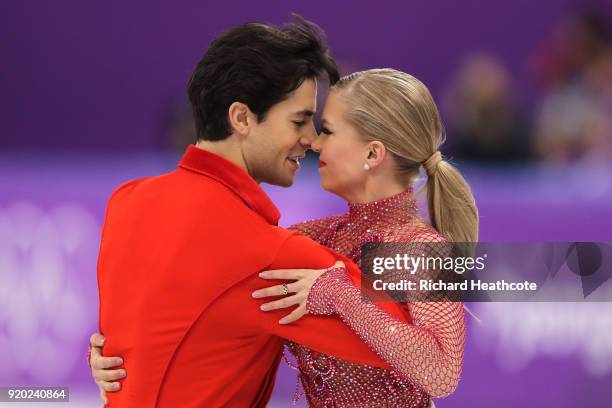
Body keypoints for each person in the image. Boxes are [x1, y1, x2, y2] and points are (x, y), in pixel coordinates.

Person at [92, 67, 477, 407]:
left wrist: (341, 295)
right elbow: (205, 292)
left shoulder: (421, 249)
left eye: (327, 130)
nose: (313, 142)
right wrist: (120, 352)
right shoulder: (313, 239)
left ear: (373, 154)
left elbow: (442, 372)